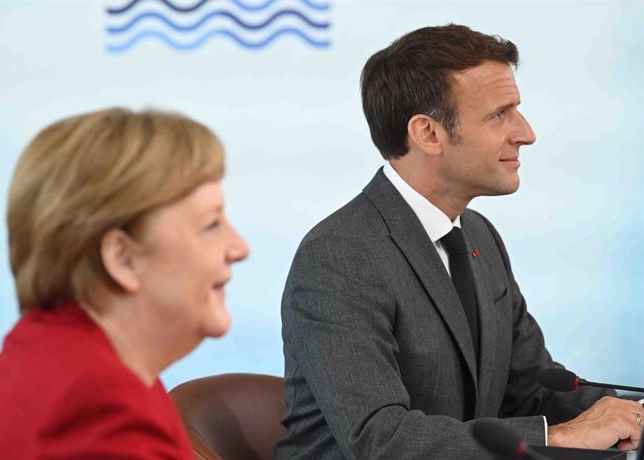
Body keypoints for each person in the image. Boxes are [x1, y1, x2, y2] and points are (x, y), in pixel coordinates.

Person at [275, 24, 644, 459]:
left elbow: (531, 391)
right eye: (499, 115)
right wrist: (558, 438)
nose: (526, 133)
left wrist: (632, 413)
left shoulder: (478, 235)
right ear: (428, 133)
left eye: (517, 110)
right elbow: (380, 440)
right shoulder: (339, 255)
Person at [0, 108, 249, 458]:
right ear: (122, 259)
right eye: (211, 224)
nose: (239, 248)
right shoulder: (98, 409)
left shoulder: (64, 357)